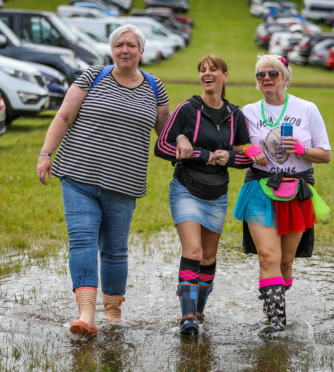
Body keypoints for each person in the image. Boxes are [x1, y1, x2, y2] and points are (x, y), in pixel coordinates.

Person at [36, 24, 170, 337]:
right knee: (82, 241)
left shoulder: (154, 86)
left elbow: (166, 132)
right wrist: (45, 154)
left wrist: (193, 147)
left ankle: (112, 312)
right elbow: (64, 116)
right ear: (112, 50)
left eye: (131, 45)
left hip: (124, 184)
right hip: (78, 175)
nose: (125, 50)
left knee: (114, 250)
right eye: (119, 45)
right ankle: (86, 314)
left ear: (141, 51)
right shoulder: (92, 76)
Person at [155, 55, 257, 336]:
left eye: (213, 69)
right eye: (202, 70)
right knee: (193, 251)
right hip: (185, 188)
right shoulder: (187, 109)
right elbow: (161, 146)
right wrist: (197, 150)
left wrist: (228, 158)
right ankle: (187, 318)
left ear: (225, 75)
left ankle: (199, 311)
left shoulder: (235, 115)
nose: (207, 73)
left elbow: (248, 156)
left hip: (216, 194)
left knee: (208, 258)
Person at [233, 54, 331, 336]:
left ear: (285, 78)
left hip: (297, 190)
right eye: (261, 74)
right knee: (267, 255)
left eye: (273, 74)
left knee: (285, 261)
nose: (266, 79)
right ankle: (276, 322)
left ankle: (273, 301)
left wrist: (302, 150)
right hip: (260, 187)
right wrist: (248, 150)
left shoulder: (307, 109)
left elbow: (325, 155)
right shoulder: (249, 112)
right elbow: (236, 143)